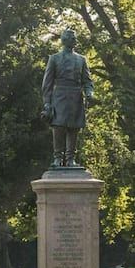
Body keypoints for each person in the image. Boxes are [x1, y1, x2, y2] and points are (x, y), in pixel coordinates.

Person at [41, 28, 94, 167]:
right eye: (73, 38)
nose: (75, 41)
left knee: (74, 127)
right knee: (58, 127)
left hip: (76, 96)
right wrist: (47, 103)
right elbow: (47, 83)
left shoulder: (81, 60)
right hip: (59, 96)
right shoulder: (54, 58)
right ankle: (57, 158)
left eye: (75, 38)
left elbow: (87, 81)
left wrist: (89, 93)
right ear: (65, 40)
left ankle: (71, 159)